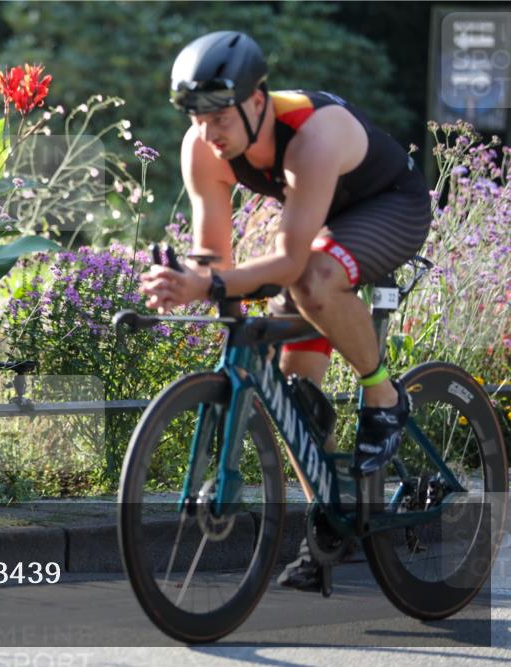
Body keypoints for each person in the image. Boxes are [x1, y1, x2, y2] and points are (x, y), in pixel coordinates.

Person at [139, 31, 432, 591]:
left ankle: (384, 396)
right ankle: (330, 523)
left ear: (257, 101)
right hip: (319, 226)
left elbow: (292, 261)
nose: (208, 132)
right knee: (296, 396)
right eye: (196, 118)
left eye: (219, 117)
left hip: (390, 207)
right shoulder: (201, 148)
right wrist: (189, 281)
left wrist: (208, 283)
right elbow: (213, 256)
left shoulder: (312, 133)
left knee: (315, 279)